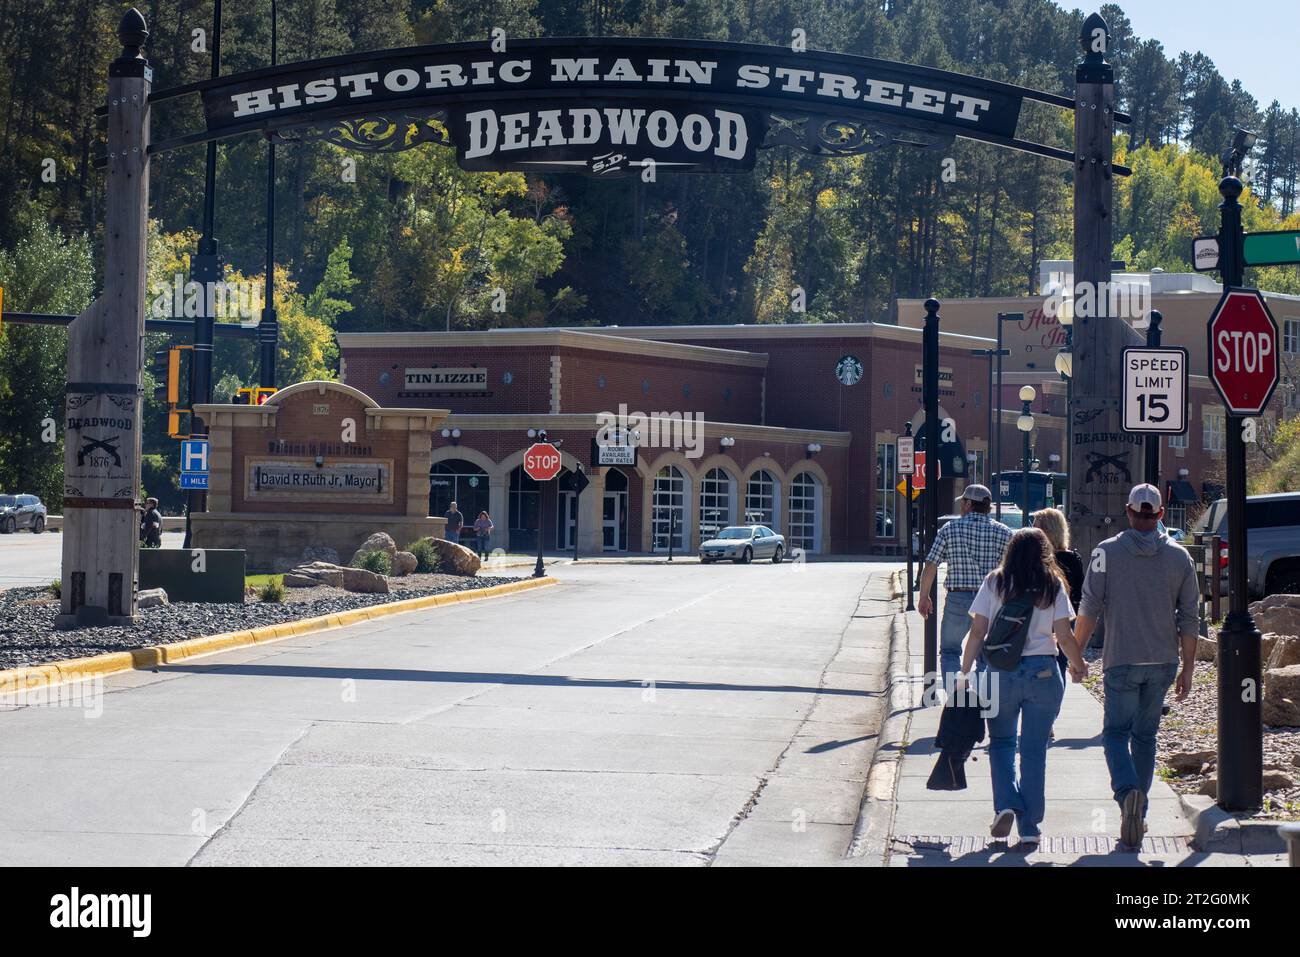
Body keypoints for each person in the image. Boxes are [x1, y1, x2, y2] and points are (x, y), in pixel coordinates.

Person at [1074, 483, 1199, 849]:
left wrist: (1076, 654)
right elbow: (1189, 618)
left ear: (1128, 512)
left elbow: (1089, 608)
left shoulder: (1106, 553)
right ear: (1160, 515)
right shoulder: (1180, 558)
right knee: (1146, 737)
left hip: (1121, 659)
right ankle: (1139, 813)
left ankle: (1127, 792)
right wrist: (1188, 668)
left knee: (1115, 734)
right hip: (1162, 660)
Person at [960, 527, 1089, 846]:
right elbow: (1064, 635)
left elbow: (978, 632)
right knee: (1034, 750)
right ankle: (1029, 826)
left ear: (1011, 551)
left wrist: (964, 673)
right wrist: (1078, 665)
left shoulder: (995, 581)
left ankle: (1005, 804)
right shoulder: (1053, 584)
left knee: (1001, 743)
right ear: (1045, 554)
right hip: (1043, 673)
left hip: (999, 674)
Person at [917, 484, 1014, 691]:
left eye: (963, 502)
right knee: (985, 654)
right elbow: (1012, 569)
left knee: (951, 650)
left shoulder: (950, 529)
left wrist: (924, 596)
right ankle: (979, 696)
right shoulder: (1004, 532)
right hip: (990, 600)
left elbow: (931, 563)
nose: (961, 505)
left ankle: (957, 699)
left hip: (958, 598)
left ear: (969, 504)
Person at [1033, 507, 1084, 681]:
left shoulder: (1037, 559)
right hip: (1062, 618)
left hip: (1044, 618)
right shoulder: (1073, 559)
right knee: (1059, 664)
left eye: (1037, 527)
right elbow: (1079, 594)